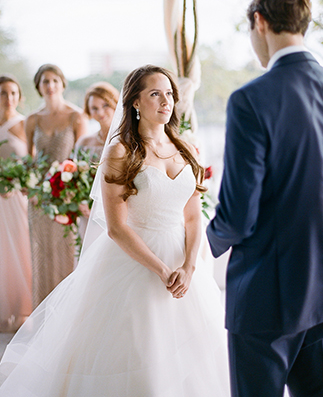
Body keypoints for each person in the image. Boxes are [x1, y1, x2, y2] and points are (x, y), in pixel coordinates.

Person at [0, 65, 230, 397]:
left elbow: (193, 219)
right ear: (135, 102)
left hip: (184, 263)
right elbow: (117, 228)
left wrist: (189, 267)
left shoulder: (185, 149)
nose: (165, 101)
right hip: (135, 262)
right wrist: (163, 270)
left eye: (169, 94)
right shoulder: (120, 152)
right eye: (155, 94)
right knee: (137, 351)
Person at [207, 0, 323, 397]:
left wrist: (200, 247)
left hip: (266, 296)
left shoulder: (251, 100)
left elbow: (238, 216)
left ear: (260, 21)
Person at [25, 64, 87, 308]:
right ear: (39, 87)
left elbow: (81, 158)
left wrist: (74, 191)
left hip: (67, 195)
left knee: (66, 251)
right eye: (44, 82)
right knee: (41, 254)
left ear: (62, 83)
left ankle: (68, 311)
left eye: (54, 81)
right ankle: (42, 312)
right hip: (39, 198)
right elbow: (31, 160)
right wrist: (27, 185)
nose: (50, 86)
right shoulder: (32, 119)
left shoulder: (76, 116)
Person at [0, 75, 32, 332]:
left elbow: (35, 162)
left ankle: (22, 308)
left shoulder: (24, 123)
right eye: (2, 93)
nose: (8, 98)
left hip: (17, 199)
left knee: (21, 250)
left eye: (13, 93)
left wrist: (20, 183)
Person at [75, 81, 119, 243]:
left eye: (105, 105)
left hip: (118, 210)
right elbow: (76, 178)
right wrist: (80, 201)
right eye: (94, 108)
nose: (100, 112)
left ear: (115, 104)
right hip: (89, 211)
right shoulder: (84, 142)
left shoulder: (127, 140)